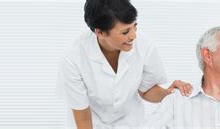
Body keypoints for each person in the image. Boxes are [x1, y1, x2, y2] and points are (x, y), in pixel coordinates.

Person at [57, 0, 192, 128]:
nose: (133, 36)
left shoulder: (145, 47)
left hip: (131, 123)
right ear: (100, 33)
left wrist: (168, 93)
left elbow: (146, 91)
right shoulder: (73, 57)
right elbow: (83, 118)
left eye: (135, 26)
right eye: (125, 32)